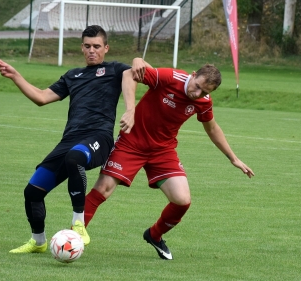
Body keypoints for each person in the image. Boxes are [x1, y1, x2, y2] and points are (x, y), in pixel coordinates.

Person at [83, 60, 255, 260]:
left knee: (182, 201)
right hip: (132, 142)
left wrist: (233, 158)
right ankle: (73, 234)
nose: (197, 94)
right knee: (103, 189)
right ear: (192, 74)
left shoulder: (203, 102)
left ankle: (154, 235)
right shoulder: (170, 78)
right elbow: (130, 74)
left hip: (162, 151)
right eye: (197, 86)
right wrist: (130, 110)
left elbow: (213, 128)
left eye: (205, 92)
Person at [0, 25, 143, 253]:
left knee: (75, 158)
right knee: (32, 192)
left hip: (98, 138)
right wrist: (16, 76)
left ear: (106, 48)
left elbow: (132, 74)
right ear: (82, 47)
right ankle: (38, 241)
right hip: (70, 139)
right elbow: (42, 97)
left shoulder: (114, 69)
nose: (91, 50)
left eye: (96, 46)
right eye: (87, 46)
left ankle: (78, 222)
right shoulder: (73, 75)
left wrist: (131, 103)